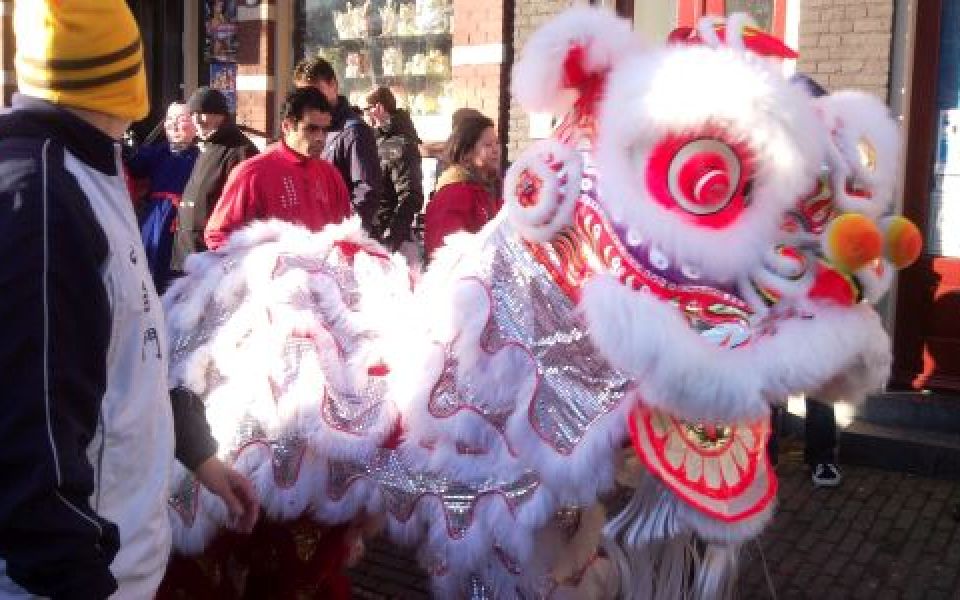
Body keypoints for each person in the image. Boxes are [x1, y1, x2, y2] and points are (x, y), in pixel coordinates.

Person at [0, 1, 258, 598]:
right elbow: (27, 457)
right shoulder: (45, 202)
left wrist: (198, 454)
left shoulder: (91, 167)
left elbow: (124, 356)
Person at [204, 87, 352, 248]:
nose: (320, 138)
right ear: (287, 126)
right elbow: (218, 236)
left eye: (325, 130)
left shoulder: (330, 174)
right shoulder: (252, 173)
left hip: (325, 270)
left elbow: (347, 232)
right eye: (311, 129)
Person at [293, 56, 385, 238]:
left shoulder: (353, 131)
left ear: (333, 85)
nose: (311, 100)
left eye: (316, 91)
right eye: (304, 94)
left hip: (338, 237)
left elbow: (366, 191)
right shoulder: (301, 129)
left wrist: (345, 233)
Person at [171, 86, 258, 273]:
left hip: (212, 255)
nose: (196, 120)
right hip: (189, 250)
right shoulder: (208, 146)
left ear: (220, 114)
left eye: (202, 113)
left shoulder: (240, 151)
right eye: (193, 114)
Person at [126, 102, 200, 291]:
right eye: (169, 119)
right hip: (155, 219)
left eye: (180, 119)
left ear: (195, 124)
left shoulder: (202, 156)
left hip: (185, 222)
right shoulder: (158, 151)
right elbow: (133, 166)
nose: (173, 124)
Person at [423, 112, 502, 260]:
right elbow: (444, 252)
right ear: (467, 153)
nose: (496, 150)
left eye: (497, 143)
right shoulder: (454, 193)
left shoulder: (490, 187)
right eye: (488, 145)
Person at [361, 86, 424, 251]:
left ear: (378, 108)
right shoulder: (379, 138)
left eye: (365, 110)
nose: (363, 116)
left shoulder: (397, 143)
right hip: (375, 233)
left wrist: (390, 239)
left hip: (386, 237)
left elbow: (410, 196)